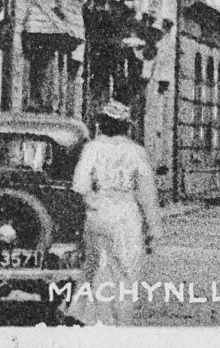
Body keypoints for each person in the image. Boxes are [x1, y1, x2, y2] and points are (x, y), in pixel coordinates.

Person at [65, 100, 164, 326]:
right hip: (126, 215)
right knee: (125, 271)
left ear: (101, 124)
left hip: (98, 213)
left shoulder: (92, 148)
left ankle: (89, 319)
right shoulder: (137, 152)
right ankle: (120, 323)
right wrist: (154, 230)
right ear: (127, 127)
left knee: (94, 268)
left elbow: (80, 186)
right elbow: (147, 193)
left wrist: (94, 205)